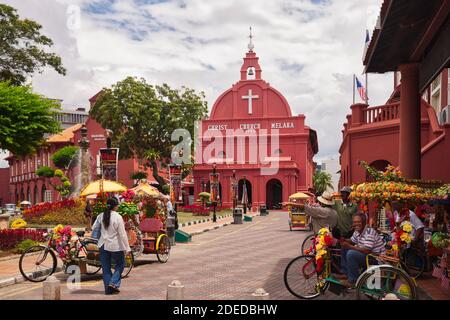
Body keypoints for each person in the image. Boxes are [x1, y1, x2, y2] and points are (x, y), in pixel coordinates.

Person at [92, 197, 131, 295]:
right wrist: (127, 247)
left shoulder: (101, 215)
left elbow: (94, 227)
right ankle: (113, 283)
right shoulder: (117, 217)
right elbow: (122, 234)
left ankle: (108, 289)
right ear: (115, 206)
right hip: (115, 246)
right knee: (120, 264)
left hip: (102, 244)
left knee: (106, 268)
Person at [336, 213, 386, 287]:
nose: (356, 224)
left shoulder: (369, 232)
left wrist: (349, 246)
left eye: (358, 222)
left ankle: (353, 280)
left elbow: (367, 250)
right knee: (344, 247)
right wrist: (344, 240)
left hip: (376, 258)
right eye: (354, 222)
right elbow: (352, 240)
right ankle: (346, 273)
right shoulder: (357, 231)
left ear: (364, 222)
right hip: (367, 256)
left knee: (351, 253)